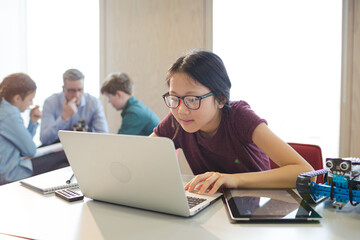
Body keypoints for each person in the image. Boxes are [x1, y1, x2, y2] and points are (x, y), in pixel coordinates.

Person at [151, 50, 314, 195]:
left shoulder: (239, 117)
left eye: (192, 99)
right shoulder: (177, 121)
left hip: (256, 209)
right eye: (175, 98)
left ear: (221, 99)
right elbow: (140, 157)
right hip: (212, 209)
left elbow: (305, 172)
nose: (181, 110)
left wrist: (233, 180)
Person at [40, 69, 108, 145]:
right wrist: (64, 117)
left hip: (84, 148)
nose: (76, 95)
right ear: (63, 89)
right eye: (72, 91)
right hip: (58, 150)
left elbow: (103, 137)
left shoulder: (94, 103)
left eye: (80, 90)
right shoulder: (50, 103)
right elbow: (44, 139)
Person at [0, 73, 42, 184]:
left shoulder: (3, 108)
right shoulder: (10, 114)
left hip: (5, 171)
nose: (31, 104)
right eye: (30, 99)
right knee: (61, 159)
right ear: (17, 98)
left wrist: (32, 122)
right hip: (10, 175)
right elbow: (30, 150)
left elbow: (23, 144)